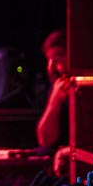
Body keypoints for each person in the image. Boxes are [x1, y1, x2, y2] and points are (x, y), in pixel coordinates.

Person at [36, 29, 71, 176]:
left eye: (58, 57)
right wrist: (55, 101)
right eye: (49, 60)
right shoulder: (57, 88)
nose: (51, 67)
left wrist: (68, 151)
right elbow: (45, 139)